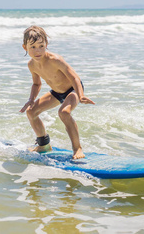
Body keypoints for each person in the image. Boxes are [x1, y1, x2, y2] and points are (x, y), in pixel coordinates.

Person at [19, 25, 95, 159]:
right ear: (25, 47)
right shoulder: (31, 65)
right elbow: (37, 84)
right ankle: (44, 144)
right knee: (31, 112)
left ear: (46, 44)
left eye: (41, 46)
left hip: (73, 89)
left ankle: (77, 149)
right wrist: (31, 100)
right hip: (56, 92)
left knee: (64, 112)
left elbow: (74, 77)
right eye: (33, 47)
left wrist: (81, 95)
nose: (38, 51)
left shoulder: (55, 60)